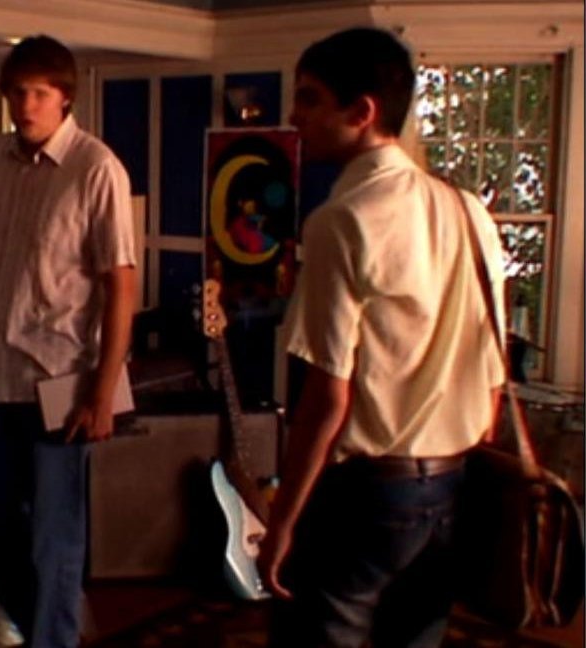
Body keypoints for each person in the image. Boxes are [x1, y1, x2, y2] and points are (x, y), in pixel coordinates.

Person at [258, 28, 507, 647]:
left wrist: (283, 519)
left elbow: (327, 398)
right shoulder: (469, 211)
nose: (294, 115)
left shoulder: (341, 222)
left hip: (366, 492)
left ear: (362, 112)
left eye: (310, 98)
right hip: (452, 481)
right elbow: (494, 369)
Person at [0, 34, 136, 648]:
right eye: (16, 93)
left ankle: (53, 635)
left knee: (54, 538)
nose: (25, 106)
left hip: (59, 382)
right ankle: (53, 630)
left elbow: (121, 284)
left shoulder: (96, 168)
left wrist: (103, 390)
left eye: (38, 94)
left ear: (64, 97)